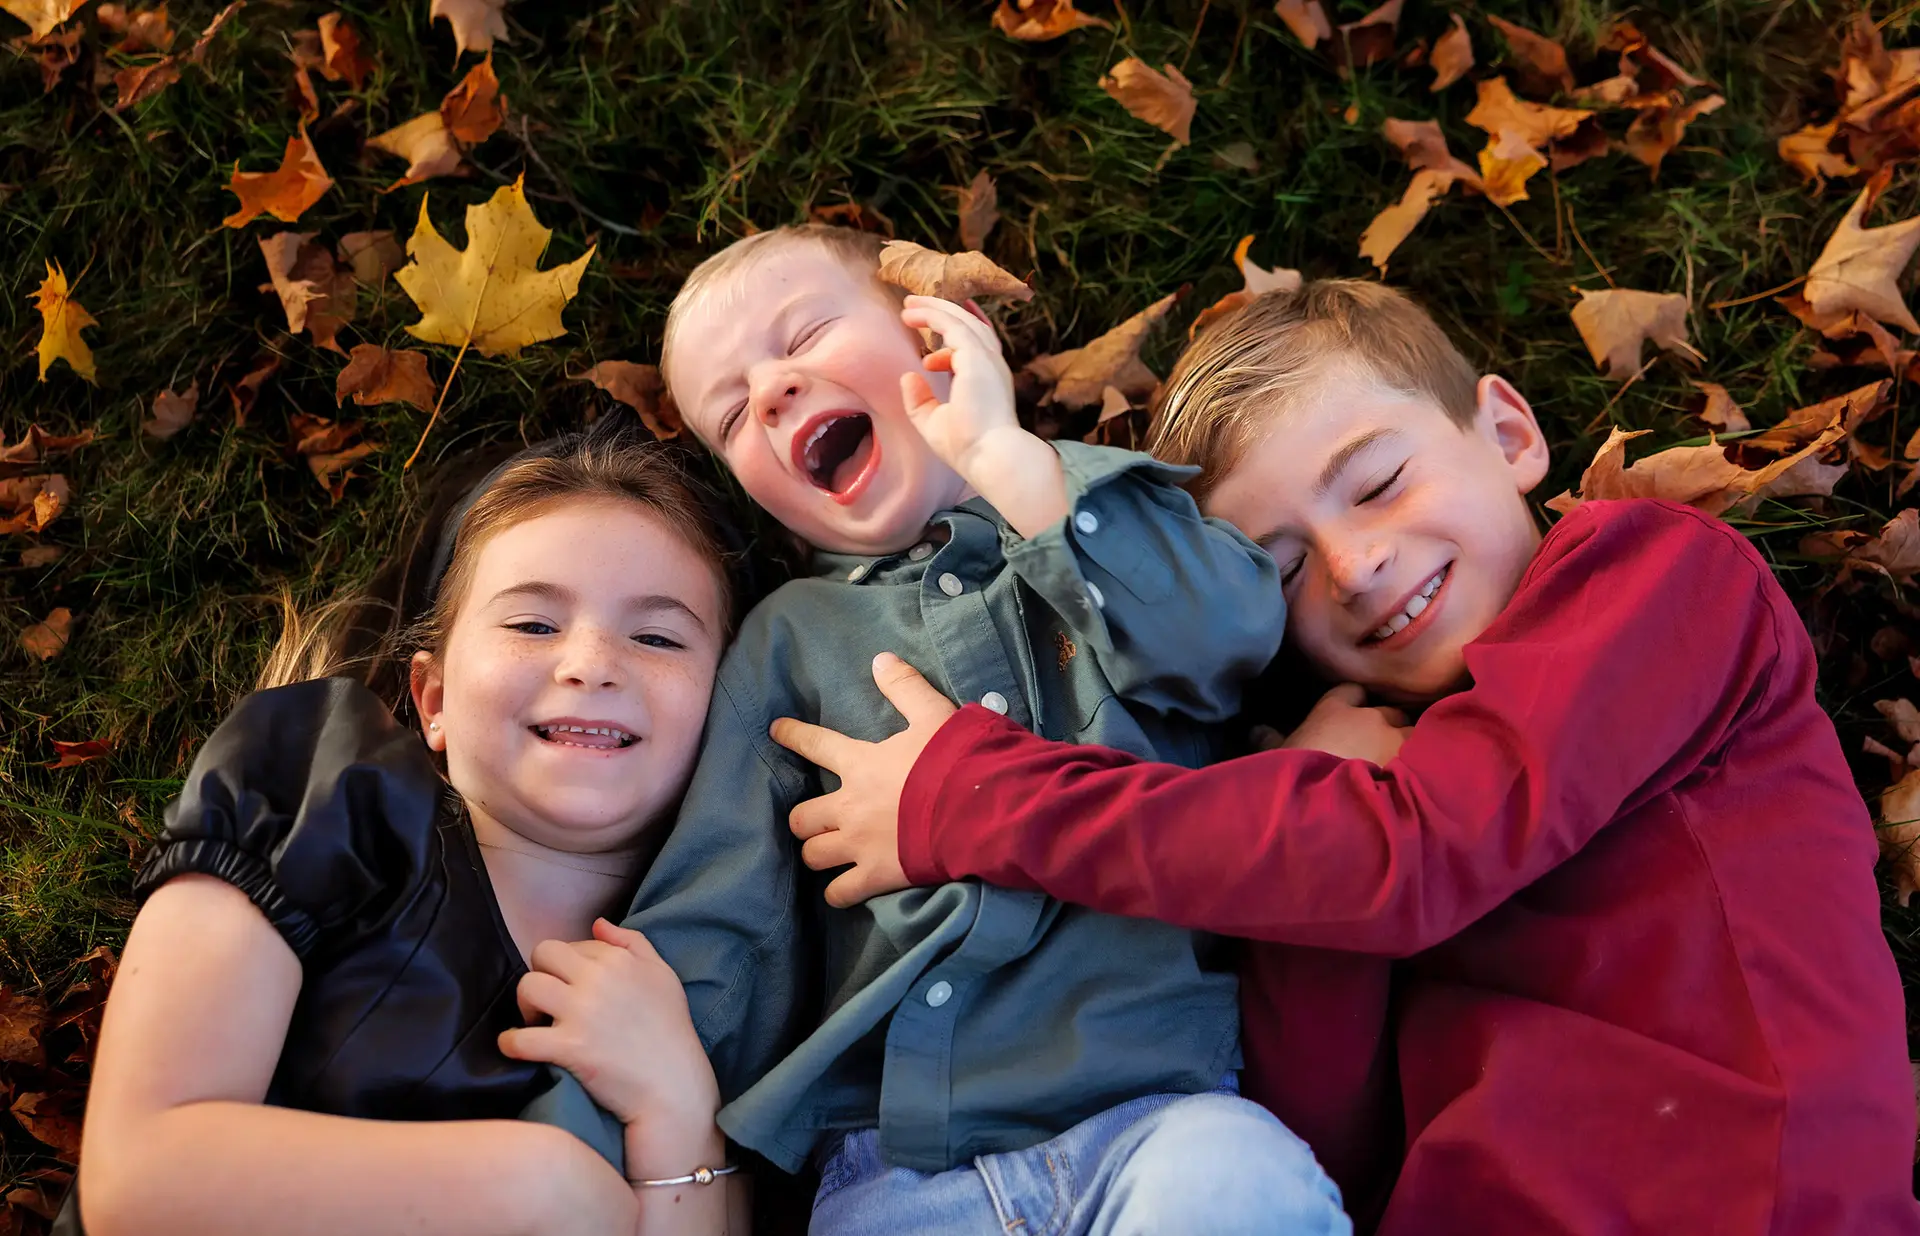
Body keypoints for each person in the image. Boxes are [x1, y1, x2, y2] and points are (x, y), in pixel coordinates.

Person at [769, 281, 1920, 1236]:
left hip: (1737, 1195)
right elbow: (1317, 1119)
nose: (1356, 564)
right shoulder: (1335, 796)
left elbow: (1417, 860)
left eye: (1378, 483)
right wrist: (1306, 803)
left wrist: (980, 799)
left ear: (1509, 434)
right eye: (1279, 566)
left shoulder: (1655, 579)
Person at [529, 224, 1352, 1235]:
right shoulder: (791, 641)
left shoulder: (1095, 507)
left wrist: (1007, 457)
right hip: (900, 1173)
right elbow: (724, 897)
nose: (776, 389)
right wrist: (617, 1062)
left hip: (1160, 1116)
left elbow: (1227, 632)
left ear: (936, 334)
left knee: (1245, 1186)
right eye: (733, 410)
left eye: (807, 334)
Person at [66, 425, 749, 1236]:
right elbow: (139, 1175)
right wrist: (542, 1192)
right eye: (533, 625)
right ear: (432, 702)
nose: (592, 662)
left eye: (658, 636)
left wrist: (678, 1105)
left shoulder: (714, 967)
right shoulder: (325, 796)